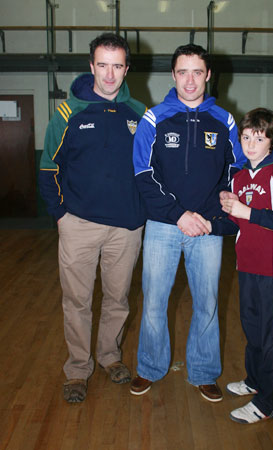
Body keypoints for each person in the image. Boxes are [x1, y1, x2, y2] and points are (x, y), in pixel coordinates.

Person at [130, 43, 246, 402]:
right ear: (173, 75)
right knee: (153, 302)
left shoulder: (225, 121)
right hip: (164, 226)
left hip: (208, 229)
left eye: (198, 72)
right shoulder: (153, 118)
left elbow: (237, 174)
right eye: (183, 72)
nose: (190, 80)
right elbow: (142, 175)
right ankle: (149, 367)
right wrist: (179, 214)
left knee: (207, 303)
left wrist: (212, 218)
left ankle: (204, 371)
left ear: (208, 75)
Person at [39, 33, 147, 403]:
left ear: (126, 68)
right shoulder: (68, 113)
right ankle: (78, 369)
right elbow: (47, 167)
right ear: (91, 66)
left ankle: (109, 357)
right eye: (103, 64)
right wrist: (61, 216)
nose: (110, 74)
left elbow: (151, 169)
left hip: (127, 227)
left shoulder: (139, 113)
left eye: (117, 65)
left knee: (118, 299)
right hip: (78, 225)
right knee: (77, 301)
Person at [196, 107, 273, 422]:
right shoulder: (240, 176)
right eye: (246, 137)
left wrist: (246, 212)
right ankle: (255, 380)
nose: (251, 144)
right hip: (247, 264)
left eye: (259, 137)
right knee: (252, 328)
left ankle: (267, 403)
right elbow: (236, 223)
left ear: (271, 139)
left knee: (272, 337)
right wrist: (214, 221)